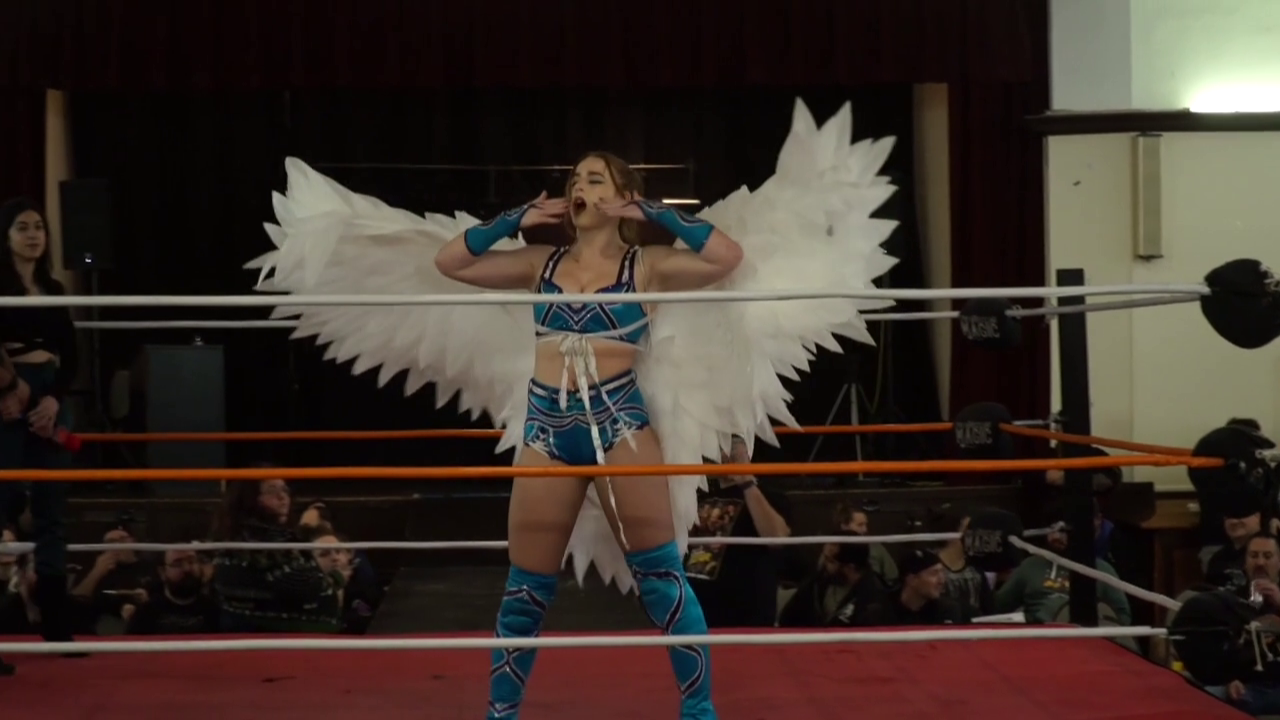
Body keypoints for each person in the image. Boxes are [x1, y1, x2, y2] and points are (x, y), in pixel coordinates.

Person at [251, 99, 896, 718]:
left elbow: (727, 258)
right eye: (575, 180)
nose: (580, 188)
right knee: (525, 590)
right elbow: (450, 262)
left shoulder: (648, 265)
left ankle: (699, 710)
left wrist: (654, 212)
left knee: (661, 580)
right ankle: (501, 713)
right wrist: (515, 219)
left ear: (621, 195)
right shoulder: (540, 262)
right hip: (546, 430)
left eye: (595, 179)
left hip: (621, 427)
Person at [0, 198, 79, 657]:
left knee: (52, 510)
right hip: (6, 394)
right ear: (6, 235)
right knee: (3, 500)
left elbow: (73, 356)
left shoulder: (53, 288)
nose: (33, 235)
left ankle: (57, 629)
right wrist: (12, 389)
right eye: (22, 227)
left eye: (39, 227)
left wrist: (53, 399)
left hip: (49, 394)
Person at [687, 436, 791, 628]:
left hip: (746, 612)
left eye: (732, 445)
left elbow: (778, 537)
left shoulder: (769, 496)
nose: (725, 453)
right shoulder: (699, 496)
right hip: (697, 610)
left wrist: (746, 481)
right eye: (720, 446)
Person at [778, 534, 884, 627]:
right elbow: (786, 620)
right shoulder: (816, 583)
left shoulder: (873, 599)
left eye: (830, 561)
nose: (823, 563)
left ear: (850, 568)